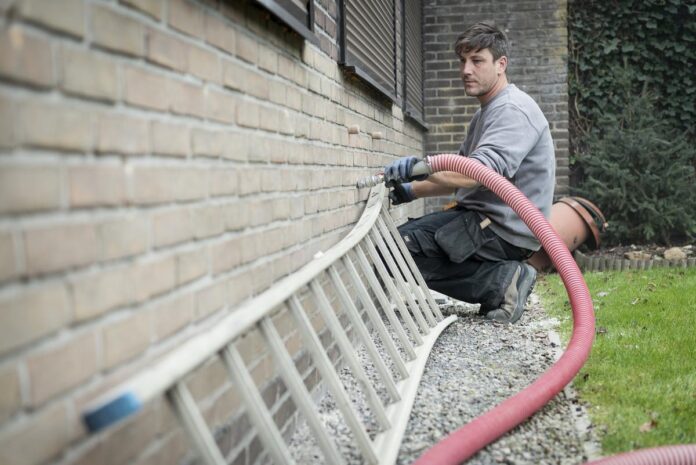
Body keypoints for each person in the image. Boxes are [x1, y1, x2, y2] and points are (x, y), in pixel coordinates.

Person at [383, 22, 555, 323]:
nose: (466, 69)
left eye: (477, 60)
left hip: (503, 229)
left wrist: (421, 168)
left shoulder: (513, 111)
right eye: (462, 60)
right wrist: (409, 191)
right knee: (396, 248)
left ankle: (502, 282)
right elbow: (457, 175)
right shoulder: (486, 113)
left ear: (501, 64)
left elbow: (476, 175)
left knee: (398, 251)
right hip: (486, 221)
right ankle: (501, 281)